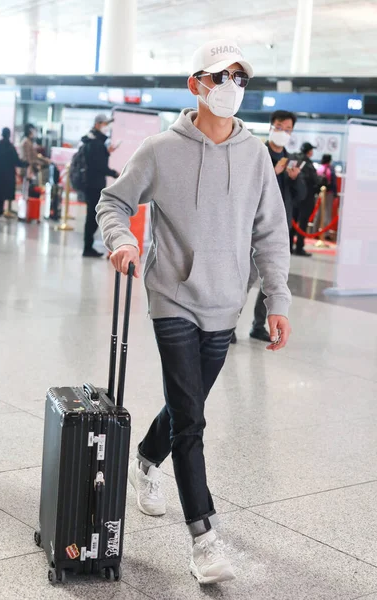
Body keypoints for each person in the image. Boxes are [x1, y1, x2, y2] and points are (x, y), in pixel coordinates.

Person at [97, 39, 292, 584]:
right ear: (196, 85)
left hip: (225, 301)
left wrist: (276, 300)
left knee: (188, 406)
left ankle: (143, 459)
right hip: (173, 297)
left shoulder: (255, 155)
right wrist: (122, 240)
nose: (231, 86)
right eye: (220, 76)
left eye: (240, 77)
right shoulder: (161, 149)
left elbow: (271, 233)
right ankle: (204, 539)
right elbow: (113, 201)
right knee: (193, 419)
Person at [249, 109, 305, 343]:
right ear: (271, 126)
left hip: (280, 229)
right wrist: (273, 173)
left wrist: (294, 178)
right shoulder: (256, 154)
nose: (284, 133)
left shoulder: (293, 159)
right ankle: (227, 325)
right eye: (280, 128)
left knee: (272, 279)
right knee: (243, 279)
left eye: (288, 130)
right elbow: (247, 189)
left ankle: (258, 325)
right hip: (252, 226)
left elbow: (301, 195)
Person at [81, 114, 119, 258]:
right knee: (92, 216)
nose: (107, 126)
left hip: (91, 183)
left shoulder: (93, 141)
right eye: (105, 123)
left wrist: (106, 152)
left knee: (92, 215)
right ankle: (87, 248)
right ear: (97, 124)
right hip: (94, 185)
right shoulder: (95, 143)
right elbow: (99, 166)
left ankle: (88, 246)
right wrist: (114, 173)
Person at [0, 128, 28, 217]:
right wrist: (26, 163)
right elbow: (17, 161)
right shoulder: (10, 147)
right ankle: (0, 212)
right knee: (2, 196)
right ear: (9, 135)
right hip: (6, 176)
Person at [290, 142, 319, 256]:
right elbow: (314, 180)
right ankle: (299, 247)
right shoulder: (307, 163)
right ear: (309, 151)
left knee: (293, 223)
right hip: (306, 198)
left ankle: (289, 246)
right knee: (302, 224)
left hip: (295, 197)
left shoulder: (295, 158)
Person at [315, 154, 337, 237]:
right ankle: (325, 233)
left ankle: (315, 231)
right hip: (328, 193)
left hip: (319, 193)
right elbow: (334, 182)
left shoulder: (319, 168)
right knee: (327, 213)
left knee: (318, 212)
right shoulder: (330, 169)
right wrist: (335, 194)